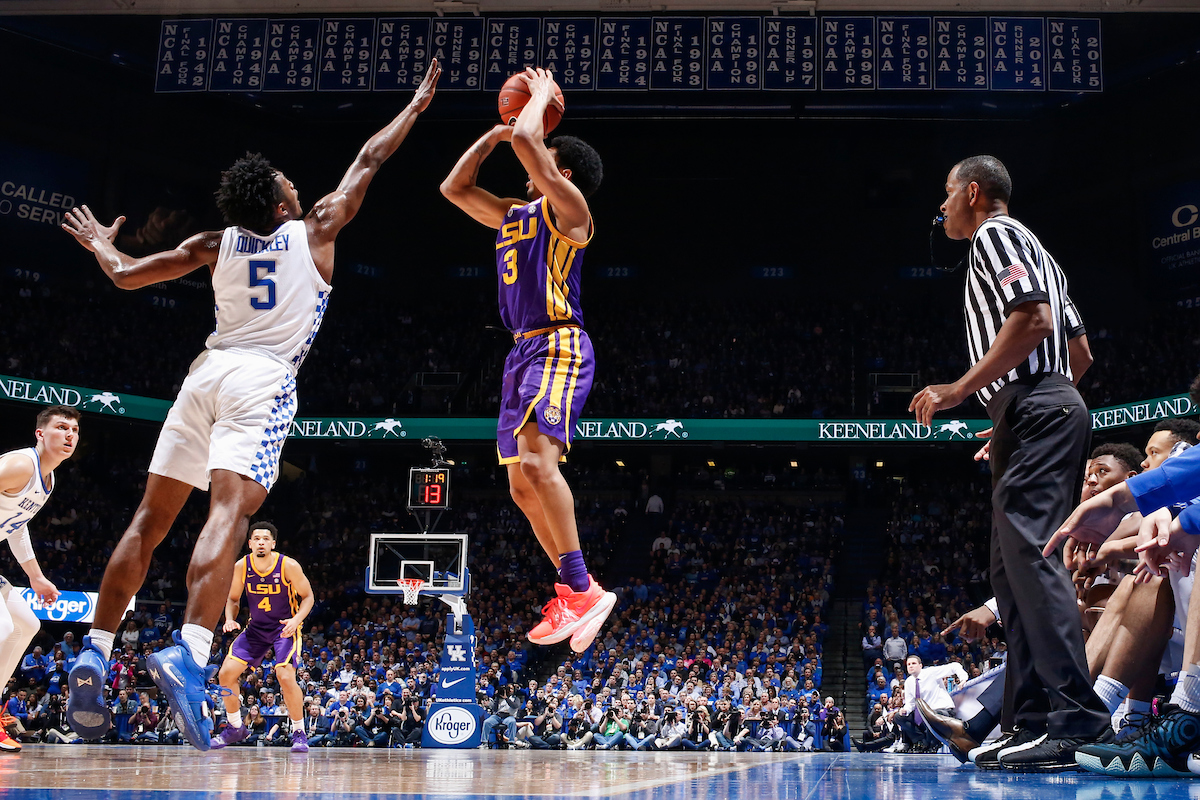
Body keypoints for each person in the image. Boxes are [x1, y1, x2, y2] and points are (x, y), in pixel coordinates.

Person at [60, 60, 442, 752]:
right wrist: (415, 107)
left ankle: (94, 647)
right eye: (288, 183)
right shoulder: (317, 228)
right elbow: (367, 159)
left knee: (149, 519)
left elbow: (123, 278)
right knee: (228, 512)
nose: (298, 183)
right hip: (263, 379)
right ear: (278, 205)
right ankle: (192, 647)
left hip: (205, 371)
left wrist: (102, 247)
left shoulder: (213, 244)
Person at [909, 155, 1110, 772]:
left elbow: (1032, 320)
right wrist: (1011, 414)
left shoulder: (997, 235)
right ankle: (1025, 719)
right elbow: (1078, 354)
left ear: (973, 193)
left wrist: (964, 391)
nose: (940, 208)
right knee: (1009, 570)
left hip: (1036, 405)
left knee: (1031, 556)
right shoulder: (1042, 254)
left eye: (945, 194)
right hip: (1035, 406)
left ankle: (1075, 715)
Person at [440, 67, 613, 654]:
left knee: (540, 466)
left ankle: (581, 586)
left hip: (559, 342)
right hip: (520, 351)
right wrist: (493, 136)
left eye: (542, 153)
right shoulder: (516, 212)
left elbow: (528, 145)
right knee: (519, 486)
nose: (526, 155)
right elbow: (454, 189)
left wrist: (538, 98)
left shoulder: (571, 212)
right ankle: (575, 588)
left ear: (561, 172)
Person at [0, 406, 77, 753]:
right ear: (40, 434)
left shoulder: (48, 480)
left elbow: (16, 525)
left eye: (74, 430)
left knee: (24, 624)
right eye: (61, 427)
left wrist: (36, 576)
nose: (69, 435)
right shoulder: (21, 465)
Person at [210, 522, 314, 753]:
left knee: (284, 675)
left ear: (273, 543)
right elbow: (234, 598)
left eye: (265, 539)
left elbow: (308, 597)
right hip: (256, 628)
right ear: (249, 543)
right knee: (226, 674)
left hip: (284, 627)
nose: (260, 542)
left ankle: (299, 732)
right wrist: (229, 618)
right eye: (256, 539)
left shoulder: (288, 565)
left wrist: (296, 620)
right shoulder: (241, 566)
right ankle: (235, 727)